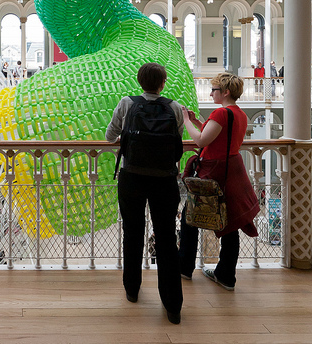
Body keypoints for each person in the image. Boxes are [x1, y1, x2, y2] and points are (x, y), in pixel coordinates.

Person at [106, 62, 184, 325]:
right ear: (162, 84)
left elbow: (109, 136)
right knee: (166, 238)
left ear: (140, 82)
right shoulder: (174, 107)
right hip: (165, 180)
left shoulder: (127, 104)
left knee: (132, 233)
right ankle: (172, 305)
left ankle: (132, 289)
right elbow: (177, 140)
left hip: (133, 177)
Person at [179, 73, 259, 291]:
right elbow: (220, 136)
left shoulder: (221, 113)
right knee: (229, 223)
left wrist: (186, 121)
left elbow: (201, 140)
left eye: (213, 90)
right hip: (231, 170)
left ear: (225, 92)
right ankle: (226, 274)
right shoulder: (239, 114)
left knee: (189, 217)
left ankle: (184, 267)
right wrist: (199, 122)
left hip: (213, 172)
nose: (210, 94)